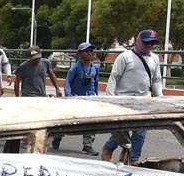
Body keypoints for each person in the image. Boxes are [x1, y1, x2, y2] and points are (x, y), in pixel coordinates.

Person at [101, 29, 164, 163]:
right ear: (138, 41)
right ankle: (108, 148)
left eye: (152, 43)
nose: (149, 46)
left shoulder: (154, 58)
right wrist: (110, 99)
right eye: (146, 43)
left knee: (140, 132)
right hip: (124, 100)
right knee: (122, 130)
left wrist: (160, 99)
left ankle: (134, 159)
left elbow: (156, 80)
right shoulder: (125, 57)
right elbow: (114, 78)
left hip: (144, 100)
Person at [59, 42, 101, 154]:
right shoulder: (75, 68)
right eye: (86, 51)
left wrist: (97, 96)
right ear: (80, 53)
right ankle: (58, 136)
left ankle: (88, 145)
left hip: (90, 98)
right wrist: (68, 96)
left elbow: (95, 83)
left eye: (91, 51)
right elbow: (68, 82)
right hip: (76, 98)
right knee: (68, 121)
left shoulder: (95, 68)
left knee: (91, 122)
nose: (90, 53)